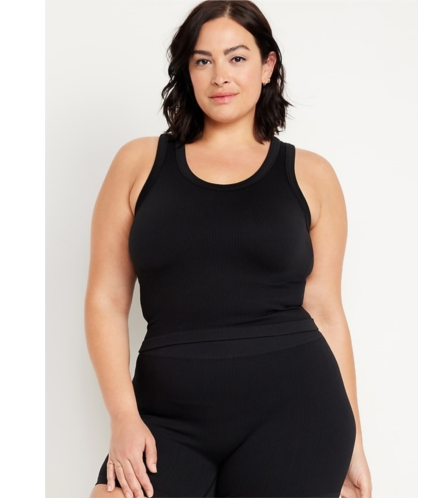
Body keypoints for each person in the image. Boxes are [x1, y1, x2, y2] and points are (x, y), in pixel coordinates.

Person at [85, 0, 372, 497]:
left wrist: (356, 444)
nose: (220, 75)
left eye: (237, 58)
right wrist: (123, 417)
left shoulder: (311, 174)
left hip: (296, 411)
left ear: (267, 66)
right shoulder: (138, 163)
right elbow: (106, 299)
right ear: (187, 70)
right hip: (165, 414)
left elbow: (326, 310)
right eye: (203, 60)